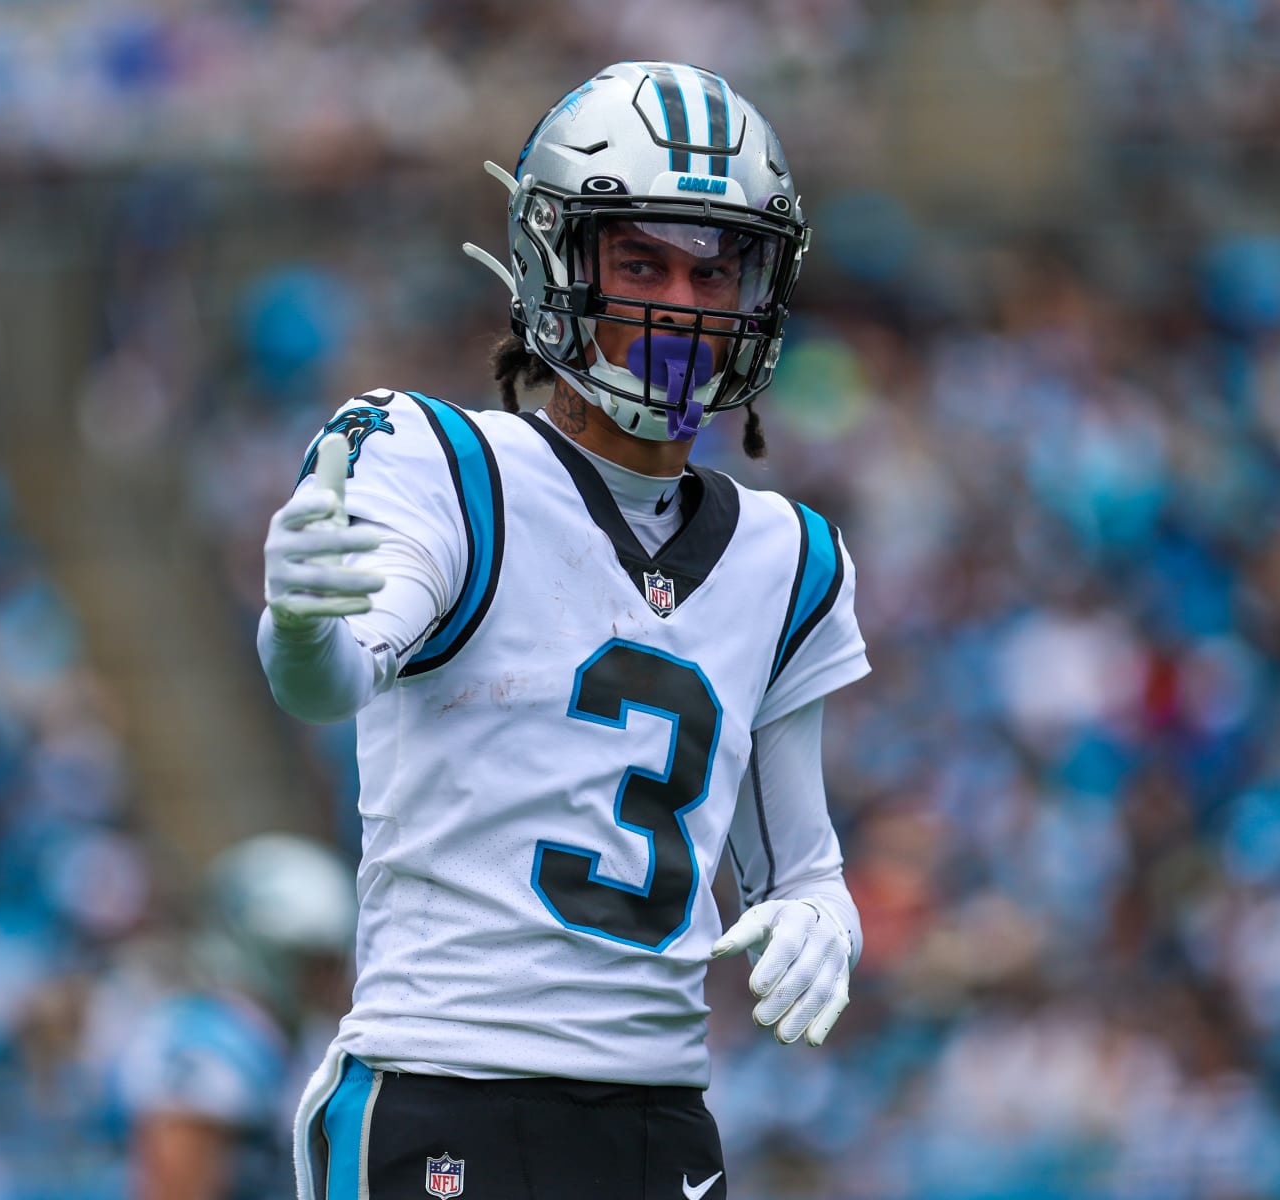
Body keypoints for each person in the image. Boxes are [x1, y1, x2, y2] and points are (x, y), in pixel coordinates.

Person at [259, 61, 869, 1200]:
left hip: (660, 1122)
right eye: (641, 263)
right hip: (448, 1088)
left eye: (714, 269)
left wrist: (822, 920)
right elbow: (333, 675)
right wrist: (298, 625)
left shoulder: (790, 557)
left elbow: (803, 867)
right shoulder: (446, 464)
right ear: (557, 263)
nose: (682, 304)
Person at [117, 835, 356, 1200]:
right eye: (313, 962)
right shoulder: (207, 1044)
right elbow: (175, 1190)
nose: (329, 978)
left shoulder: (299, 1036)